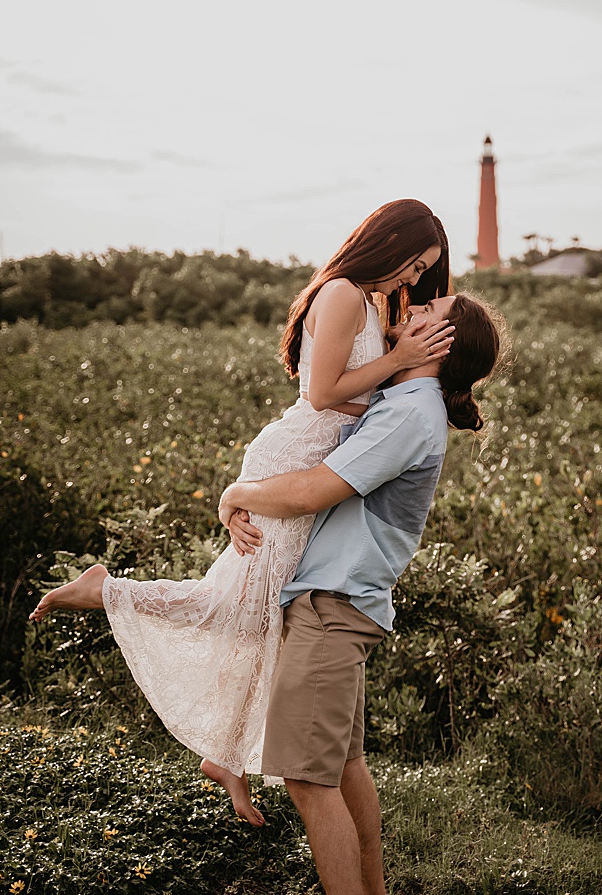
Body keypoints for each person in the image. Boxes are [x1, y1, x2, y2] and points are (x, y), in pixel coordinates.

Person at [29, 198, 454, 825]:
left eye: (422, 272)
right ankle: (108, 593)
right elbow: (323, 393)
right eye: (413, 265)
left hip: (313, 460)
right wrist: (397, 360)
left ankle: (225, 752)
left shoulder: (369, 301)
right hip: (299, 456)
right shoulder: (342, 292)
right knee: (235, 604)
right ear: (389, 243)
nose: (413, 280)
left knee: (257, 607)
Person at [218, 290, 502, 895]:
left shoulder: (410, 414)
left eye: (432, 311)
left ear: (441, 343)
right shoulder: (399, 402)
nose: (416, 307)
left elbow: (312, 491)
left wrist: (236, 494)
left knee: (307, 779)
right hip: (339, 604)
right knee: (344, 771)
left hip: (333, 607)